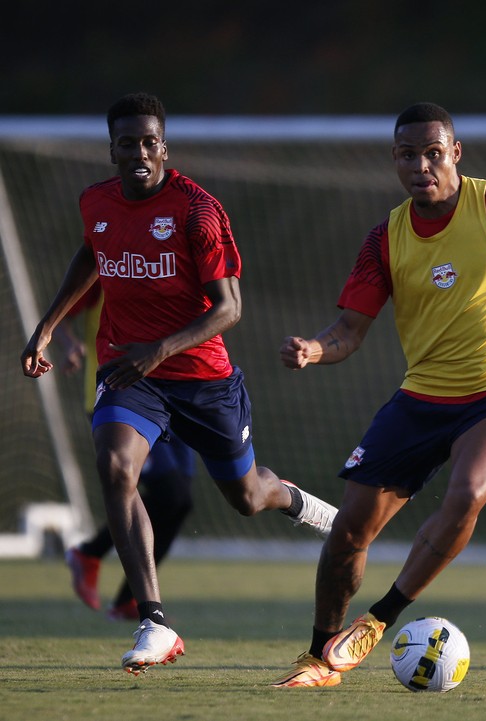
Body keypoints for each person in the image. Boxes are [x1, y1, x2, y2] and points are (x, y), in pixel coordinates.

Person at [271, 102, 486, 687]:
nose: (422, 165)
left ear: (456, 152)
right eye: (408, 155)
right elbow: (349, 332)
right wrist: (314, 348)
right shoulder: (386, 236)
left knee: (467, 495)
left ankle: (381, 619)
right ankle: (316, 659)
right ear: (395, 161)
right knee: (349, 532)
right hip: (422, 399)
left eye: (434, 152)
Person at [20, 92, 338, 675]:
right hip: (127, 370)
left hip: (202, 377)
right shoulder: (96, 201)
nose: (139, 152)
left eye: (149, 142)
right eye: (127, 142)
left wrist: (160, 349)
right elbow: (90, 253)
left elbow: (229, 308)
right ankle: (154, 622)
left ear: (163, 146)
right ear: (111, 148)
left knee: (246, 498)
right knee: (116, 468)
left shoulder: (197, 211)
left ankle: (299, 503)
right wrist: (47, 328)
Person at [56, 285, 195, 621]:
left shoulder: (176, 260)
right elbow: (60, 316)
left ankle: (122, 595)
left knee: (179, 501)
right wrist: (68, 343)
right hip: (121, 400)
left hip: (176, 397)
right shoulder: (109, 263)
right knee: (170, 493)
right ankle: (95, 561)